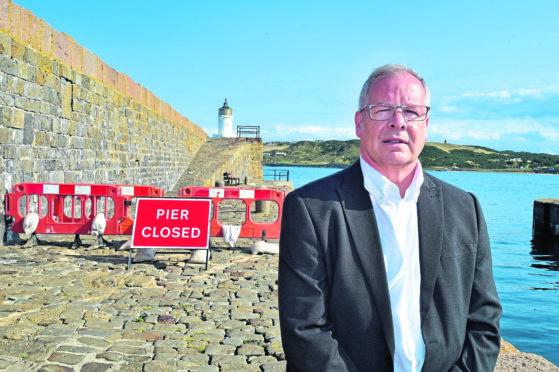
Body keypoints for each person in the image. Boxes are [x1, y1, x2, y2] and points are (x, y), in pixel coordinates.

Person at [278, 64, 502, 371]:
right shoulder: (310, 208)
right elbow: (305, 331)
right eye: (382, 110)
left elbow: (484, 319)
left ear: (426, 123)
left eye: (411, 111)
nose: (398, 122)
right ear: (359, 123)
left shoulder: (466, 208)